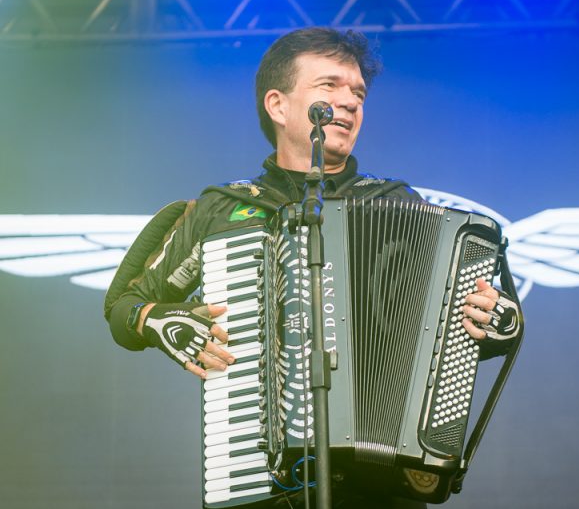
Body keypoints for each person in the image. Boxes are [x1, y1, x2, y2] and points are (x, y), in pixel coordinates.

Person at [104, 27, 522, 508]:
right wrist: (158, 320)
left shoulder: (397, 205)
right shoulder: (221, 210)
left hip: (381, 489)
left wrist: (491, 323)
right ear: (278, 105)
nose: (349, 102)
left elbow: (443, 338)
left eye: (358, 92)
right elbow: (123, 308)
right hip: (262, 481)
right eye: (329, 86)